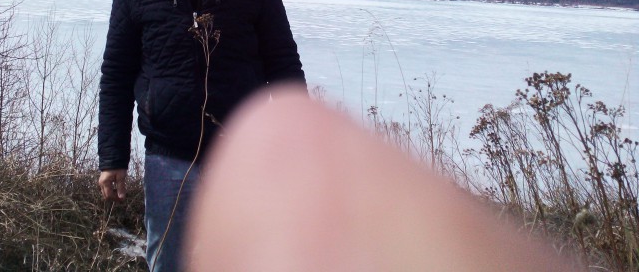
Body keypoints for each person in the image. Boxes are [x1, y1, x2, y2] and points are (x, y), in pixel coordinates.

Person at [98, 0, 306, 271]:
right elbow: (117, 76)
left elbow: (282, 62)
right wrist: (113, 157)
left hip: (244, 152)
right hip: (168, 156)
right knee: (168, 260)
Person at [187, 89, 584, 272]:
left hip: (252, 143)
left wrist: (295, 118)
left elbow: (280, 55)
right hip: (169, 148)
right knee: (169, 250)